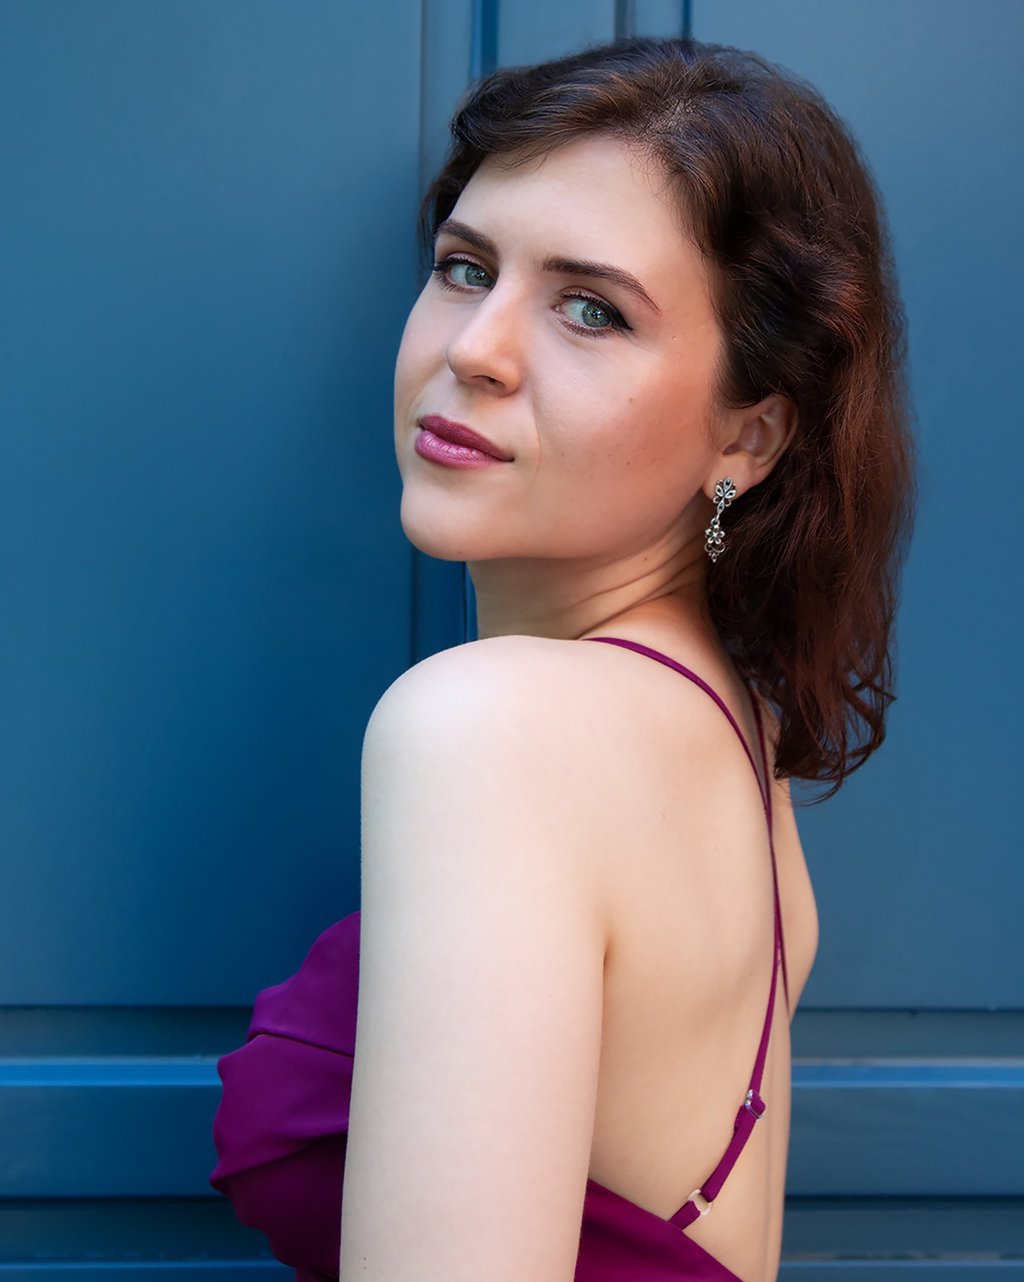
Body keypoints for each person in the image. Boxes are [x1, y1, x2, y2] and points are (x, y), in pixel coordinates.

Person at [208, 33, 916, 1282]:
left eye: (590, 308)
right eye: (463, 267)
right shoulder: (729, 731)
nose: (474, 348)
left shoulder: (495, 727)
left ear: (745, 436)